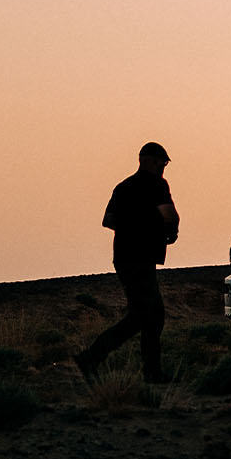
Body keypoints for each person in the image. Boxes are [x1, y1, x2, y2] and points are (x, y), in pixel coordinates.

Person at [75, 142, 181, 384]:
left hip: (123, 257)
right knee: (145, 316)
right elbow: (169, 216)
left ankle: (150, 371)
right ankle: (92, 357)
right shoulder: (157, 185)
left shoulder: (123, 187)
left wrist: (130, 228)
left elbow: (108, 220)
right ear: (151, 161)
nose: (164, 168)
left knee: (149, 314)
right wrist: (167, 232)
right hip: (142, 258)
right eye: (163, 163)